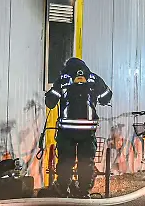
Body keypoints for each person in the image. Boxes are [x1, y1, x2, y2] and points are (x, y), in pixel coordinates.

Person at [44, 57, 112, 198]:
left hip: (67, 130)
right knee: (86, 161)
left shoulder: (63, 79)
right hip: (88, 130)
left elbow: (50, 101)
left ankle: (63, 190)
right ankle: (84, 192)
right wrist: (98, 98)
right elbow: (107, 96)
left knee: (66, 161)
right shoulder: (93, 78)